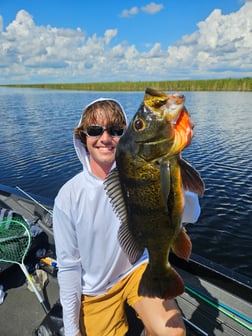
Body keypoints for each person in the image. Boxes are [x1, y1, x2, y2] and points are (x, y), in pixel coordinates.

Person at [53, 98, 201, 336]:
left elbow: (192, 215)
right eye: (94, 130)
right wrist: (72, 330)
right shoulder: (68, 197)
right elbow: (69, 267)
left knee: (173, 333)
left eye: (116, 130)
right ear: (83, 137)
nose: (105, 138)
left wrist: (175, 159)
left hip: (137, 268)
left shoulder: (142, 173)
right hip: (95, 290)